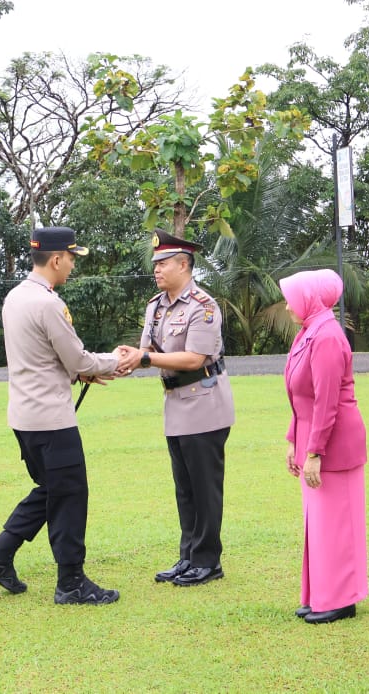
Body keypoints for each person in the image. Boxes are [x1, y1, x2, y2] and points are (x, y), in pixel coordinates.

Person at [0, 226, 128, 604]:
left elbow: (46, 357)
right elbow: (75, 358)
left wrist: (83, 370)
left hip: (25, 416)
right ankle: (71, 582)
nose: (73, 265)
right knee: (70, 495)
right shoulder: (48, 303)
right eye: (72, 258)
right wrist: (117, 361)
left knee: (51, 490)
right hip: (51, 420)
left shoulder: (15, 297)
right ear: (57, 258)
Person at [131, 230, 235, 587]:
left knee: (205, 488)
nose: (156, 269)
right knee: (185, 488)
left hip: (204, 405)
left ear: (184, 265)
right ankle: (188, 555)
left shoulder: (203, 307)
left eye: (163, 263)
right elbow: (146, 351)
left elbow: (195, 357)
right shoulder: (155, 306)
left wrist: (143, 358)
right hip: (176, 404)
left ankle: (208, 560)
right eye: (155, 263)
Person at [279, 269, 368, 625]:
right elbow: (300, 394)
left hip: (334, 442)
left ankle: (342, 598)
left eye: (292, 297)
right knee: (319, 523)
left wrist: (314, 452)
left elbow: (327, 401)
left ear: (310, 299)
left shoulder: (327, 336)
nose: (287, 306)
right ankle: (322, 593)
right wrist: (293, 440)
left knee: (336, 524)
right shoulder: (308, 332)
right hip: (311, 434)